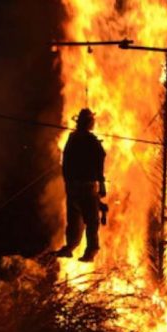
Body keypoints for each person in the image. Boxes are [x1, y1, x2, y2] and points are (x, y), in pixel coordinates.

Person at [55, 108, 106, 262]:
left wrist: (68, 181)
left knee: (74, 220)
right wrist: (101, 184)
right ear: (89, 123)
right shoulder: (91, 141)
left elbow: (65, 162)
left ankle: (70, 247)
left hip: (72, 186)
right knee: (91, 221)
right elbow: (100, 159)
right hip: (86, 187)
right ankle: (91, 251)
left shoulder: (72, 138)